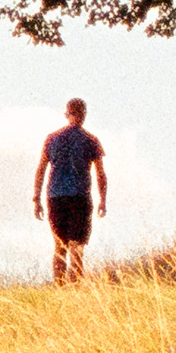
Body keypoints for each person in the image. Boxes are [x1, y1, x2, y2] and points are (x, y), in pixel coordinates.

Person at [35, 99, 107, 284]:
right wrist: (103, 200)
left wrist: (36, 198)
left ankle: (59, 287)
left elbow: (41, 169)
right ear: (84, 114)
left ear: (67, 113)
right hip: (80, 197)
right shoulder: (91, 140)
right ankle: (74, 288)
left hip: (55, 196)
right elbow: (100, 174)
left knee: (59, 246)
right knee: (76, 246)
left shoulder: (52, 138)